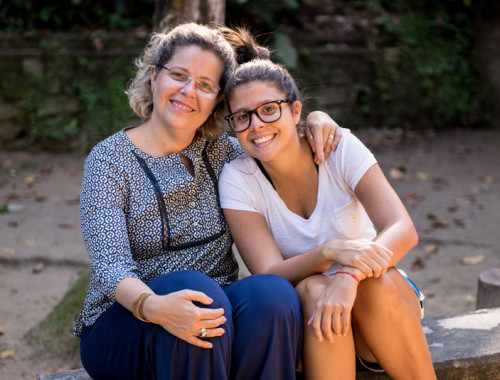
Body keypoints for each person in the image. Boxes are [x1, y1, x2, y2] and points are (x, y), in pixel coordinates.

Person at [74, 22, 341, 380]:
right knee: (196, 293)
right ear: (154, 76)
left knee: (273, 295)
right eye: (179, 75)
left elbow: (275, 138)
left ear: (216, 100)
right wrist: (155, 307)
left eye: (204, 85)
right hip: (127, 323)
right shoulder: (109, 161)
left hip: (216, 313)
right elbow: (111, 266)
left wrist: (314, 121)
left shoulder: (227, 153)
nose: (188, 92)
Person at [218, 31, 437, 379]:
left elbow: (402, 230)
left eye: (269, 110)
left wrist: (348, 275)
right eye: (242, 117)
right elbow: (269, 272)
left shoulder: (338, 147)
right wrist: (329, 253)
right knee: (315, 288)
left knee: (376, 285)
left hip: (378, 308)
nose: (256, 124)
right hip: (313, 325)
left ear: (295, 111)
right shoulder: (238, 177)